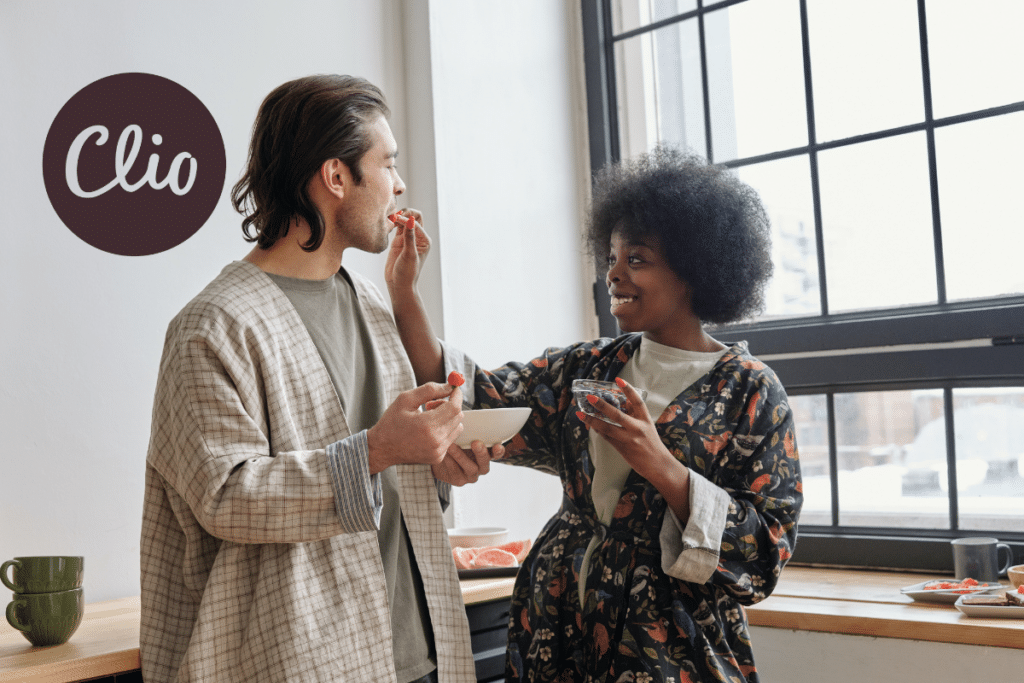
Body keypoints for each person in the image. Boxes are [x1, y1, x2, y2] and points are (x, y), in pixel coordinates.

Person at [386, 146, 803, 683]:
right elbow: (473, 399)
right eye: (611, 258)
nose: (614, 274)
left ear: (695, 270)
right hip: (556, 626)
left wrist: (660, 464)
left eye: (638, 259)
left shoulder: (751, 390)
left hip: (670, 648)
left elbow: (764, 552)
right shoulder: (589, 366)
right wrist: (404, 294)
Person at [140, 75, 495, 683]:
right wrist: (380, 449)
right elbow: (226, 497)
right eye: (386, 164)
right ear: (336, 178)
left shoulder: (371, 305)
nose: (399, 185)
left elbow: (396, 472)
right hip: (298, 662)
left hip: (419, 653)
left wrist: (434, 457)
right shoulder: (213, 326)